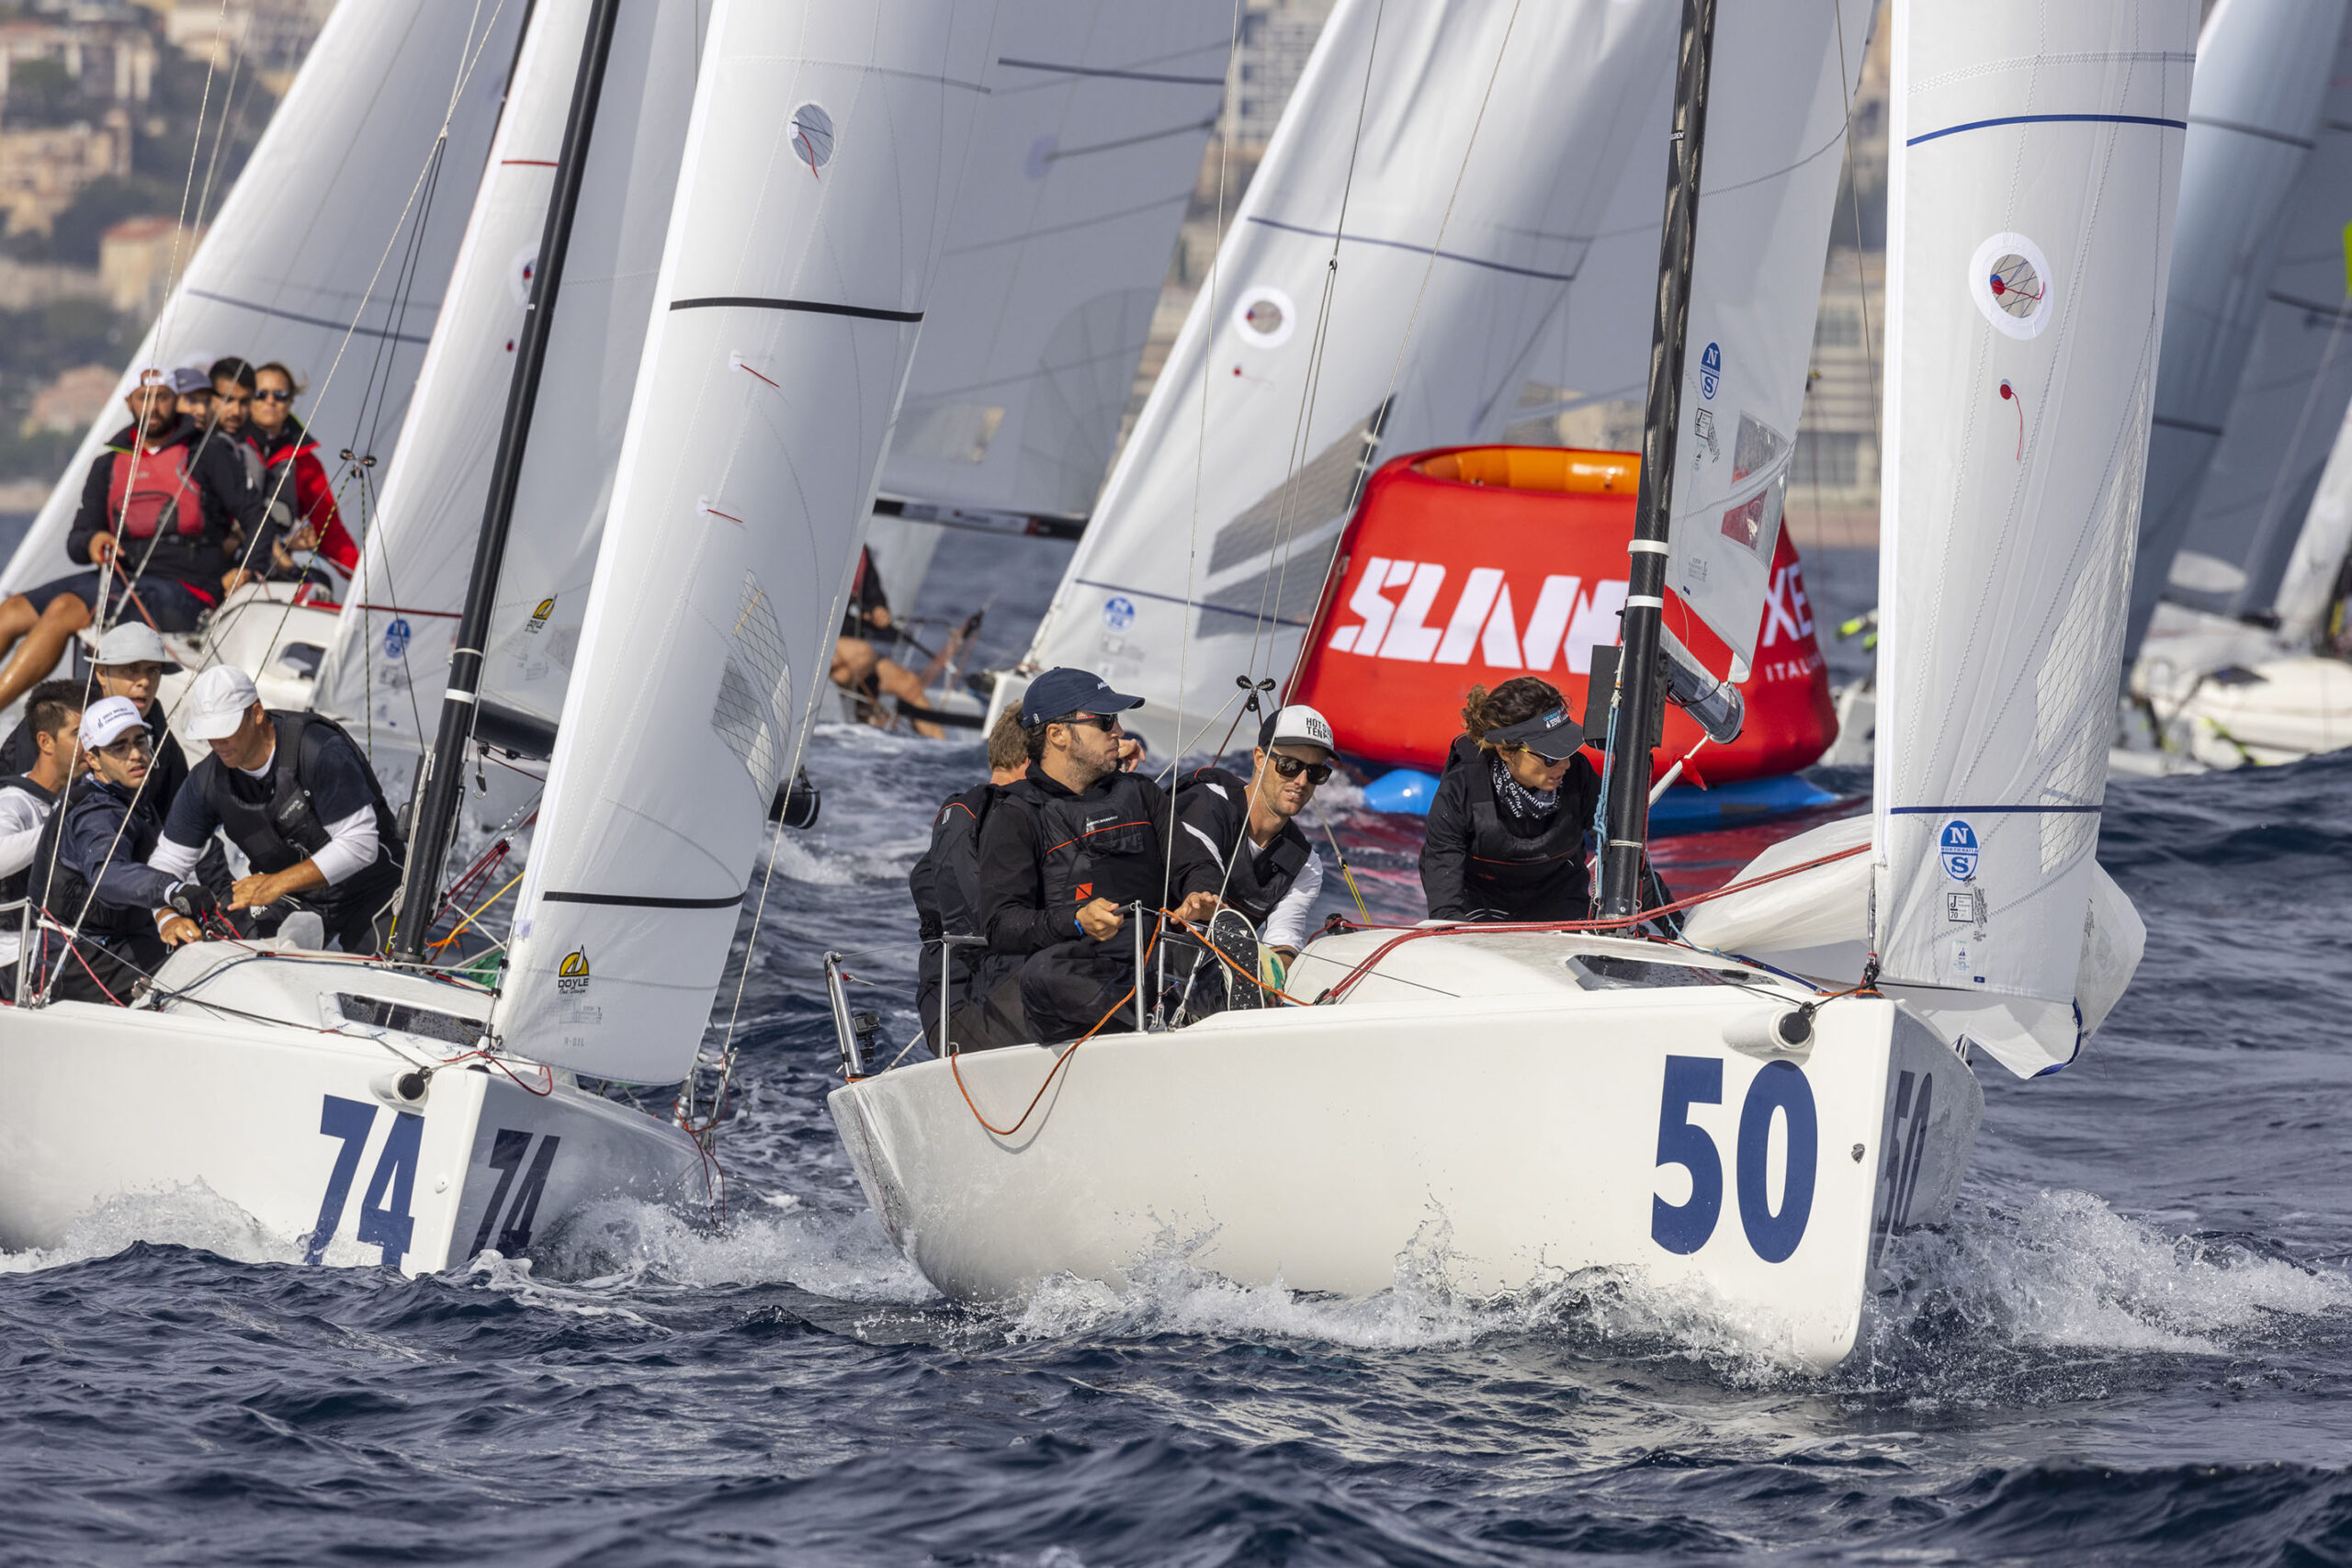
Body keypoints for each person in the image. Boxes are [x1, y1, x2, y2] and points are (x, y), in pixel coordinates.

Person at [974, 667, 1222, 1044]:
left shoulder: (1141, 793)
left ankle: (1193, 1006)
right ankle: (1173, 1013)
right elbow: (1002, 924)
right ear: (1058, 734)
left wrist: (1198, 894)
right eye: (1106, 722)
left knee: (1209, 954)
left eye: (1117, 721)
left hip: (1154, 962)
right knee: (1046, 974)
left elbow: (1195, 864)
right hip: (1077, 978)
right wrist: (1076, 921)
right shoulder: (1016, 815)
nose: (1119, 733)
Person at [0, 369, 271, 712]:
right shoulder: (108, 463)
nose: (153, 407)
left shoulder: (208, 453)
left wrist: (249, 569)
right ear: (129, 402)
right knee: (10, 612)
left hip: (187, 589)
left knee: (64, 609)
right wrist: (94, 540)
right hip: (122, 579)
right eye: (144, 397)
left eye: (163, 397)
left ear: (176, 401)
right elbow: (77, 541)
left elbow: (255, 516)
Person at [148, 664, 404, 954]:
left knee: (379, 977)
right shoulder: (205, 781)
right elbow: (167, 861)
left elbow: (360, 845)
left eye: (225, 729)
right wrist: (165, 917)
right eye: (208, 732)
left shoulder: (319, 749)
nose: (217, 742)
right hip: (296, 897)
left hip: (373, 889)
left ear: (256, 714)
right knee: (228, 953)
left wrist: (277, 882)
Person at [28, 696, 219, 1005]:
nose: (136, 755)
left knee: (205, 950)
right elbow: (107, 873)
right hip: (81, 961)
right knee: (203, 970)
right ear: (92, 759)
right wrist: (171, 890)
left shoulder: (128, 797)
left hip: (115, 944)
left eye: (139, 741)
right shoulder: (97, 814)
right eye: (119, 747)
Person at [1419, 677, 1603, 923]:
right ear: (1506, 751)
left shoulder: (1579, 775)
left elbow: (1625, 854)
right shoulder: (1460, 791)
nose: (1566, 764)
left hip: (1559, 898)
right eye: (1550, 757)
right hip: (1481, 903)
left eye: (1567, 751)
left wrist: (1672, 925)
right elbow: (1445, 907)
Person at [1174, 704, 1332, 963]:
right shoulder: (1205, 803)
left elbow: (1284, 939)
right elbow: (1201, 871)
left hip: (1213, 977)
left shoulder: (1306, 864)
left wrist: (1274, 976)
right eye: (1289, 765)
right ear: (1259, 758)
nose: (1302, 781)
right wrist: (1202, 900)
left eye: (1316, 772)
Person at [908, 708, 1026, 1050]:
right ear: (1031, 761)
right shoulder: (996, 820)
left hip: (947, 1001)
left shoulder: (962, 818)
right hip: (977, 1005)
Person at [0, 621, 195, 815]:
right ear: (101, 674)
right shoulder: (65, 711)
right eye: (131, 669)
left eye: (153, 671)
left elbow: (180, 803)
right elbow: (23, 794)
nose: (144, 682)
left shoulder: (156, 723)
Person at [243, 360, 357, 595]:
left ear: (291, 401)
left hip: (274, 569)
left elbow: (330, 531)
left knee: (319, 584)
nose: (270, 401)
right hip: (227, 561)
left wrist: (364, 578)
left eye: (281, 394)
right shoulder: (227, 445)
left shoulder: (305, 463)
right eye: (261, 394)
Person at [0, 681, 83, 998]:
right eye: (78, 735)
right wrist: (59, 829)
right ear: (46, 742)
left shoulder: (72, 800)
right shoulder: (13, 802)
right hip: (16, 959)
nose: (90, 745)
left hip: (58, 948)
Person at [831, 546, 944, 738]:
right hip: (821, 648)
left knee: (909, 683)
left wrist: (879, 611)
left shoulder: (861, 550)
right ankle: (866, 713)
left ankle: (941, 753)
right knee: (862, 655)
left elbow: (874, 598)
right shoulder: (824, 546)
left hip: (854, 650)